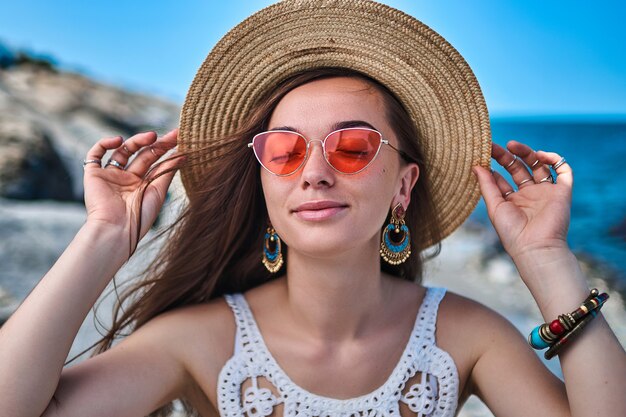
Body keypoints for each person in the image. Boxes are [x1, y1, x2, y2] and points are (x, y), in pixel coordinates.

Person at [1, 1, 625, 416]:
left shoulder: (468, 337)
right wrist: (105, 235)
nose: (317, 173)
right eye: (285, 150)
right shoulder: (197, 339)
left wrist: (545, 257)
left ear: (404, 187)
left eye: (352, 147)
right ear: (265, 182)